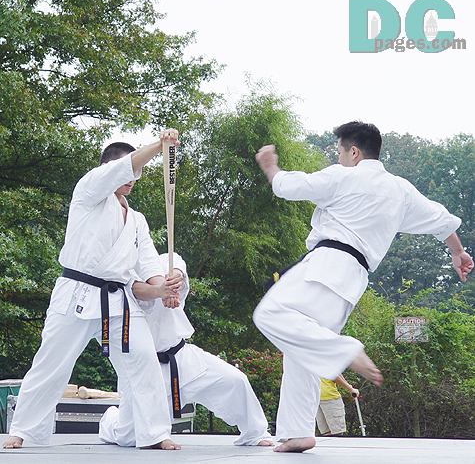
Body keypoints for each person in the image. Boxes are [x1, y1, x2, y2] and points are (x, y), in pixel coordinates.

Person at [253, 121, 474, 453]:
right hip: (352, 281)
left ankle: (345, 350)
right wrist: (458, 252)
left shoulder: (344, 176)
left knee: (269, 314)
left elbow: (289, 186)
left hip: (326, 264)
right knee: (302, 351)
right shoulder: (400, 191)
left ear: (354, 151)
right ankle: (297, 431)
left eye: (339, 152)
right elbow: (440, 220)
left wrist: (270, 166)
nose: (338, 158)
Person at [3, 130, 183, 450]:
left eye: (137, 173)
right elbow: (124, 167)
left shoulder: (137, 220)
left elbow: (147, 265)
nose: (133, 178)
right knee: (52, 363)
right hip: (77, 292)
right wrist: (160, 145)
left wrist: (163, 289)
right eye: (129, 171)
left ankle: (155, 432)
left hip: (118, 300)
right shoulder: (89, 190)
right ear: (105, 169)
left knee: (143, 359)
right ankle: (24, 430)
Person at [99, 252, 274, 447]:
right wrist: (159, 291)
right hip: (145, 373)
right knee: (129, 437)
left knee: (235, 380)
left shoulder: (165, 260)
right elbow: (135, 289)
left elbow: (176, 268)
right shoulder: (119, 275)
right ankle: (110, 420)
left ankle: (255, 434)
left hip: (182, 358)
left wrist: (174, 281)